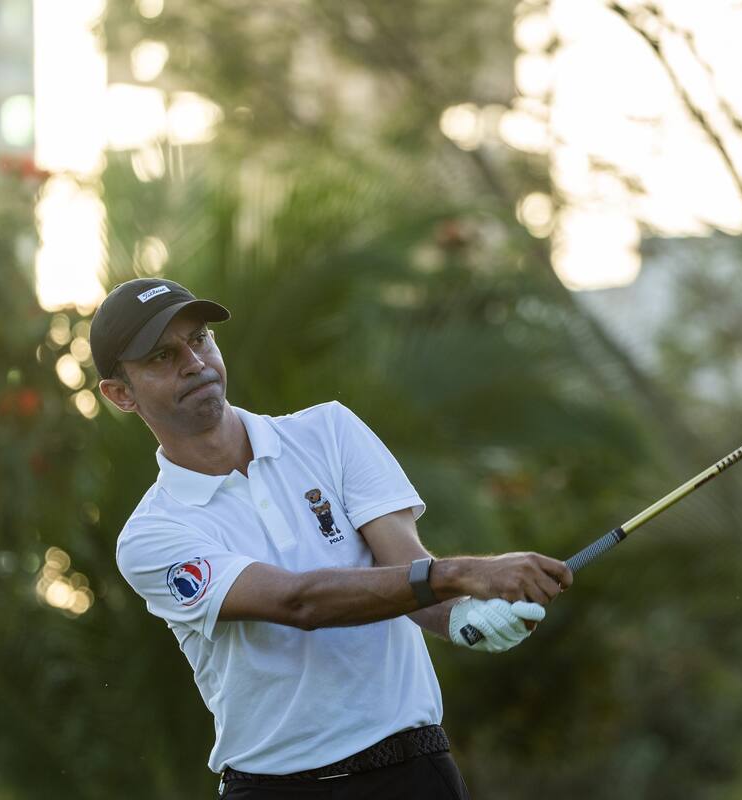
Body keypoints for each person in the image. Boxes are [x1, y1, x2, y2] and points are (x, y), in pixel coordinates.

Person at [93, 278, 572, 799]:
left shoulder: (330, 431)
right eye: (163, 356)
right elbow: (299, 603)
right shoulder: (151, 535)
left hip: (415, 773)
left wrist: (463, 615)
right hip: (278, 790)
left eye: (201, 338)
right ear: (121, 394)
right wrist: (462, 573)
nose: (194, 361)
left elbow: (409, 571)